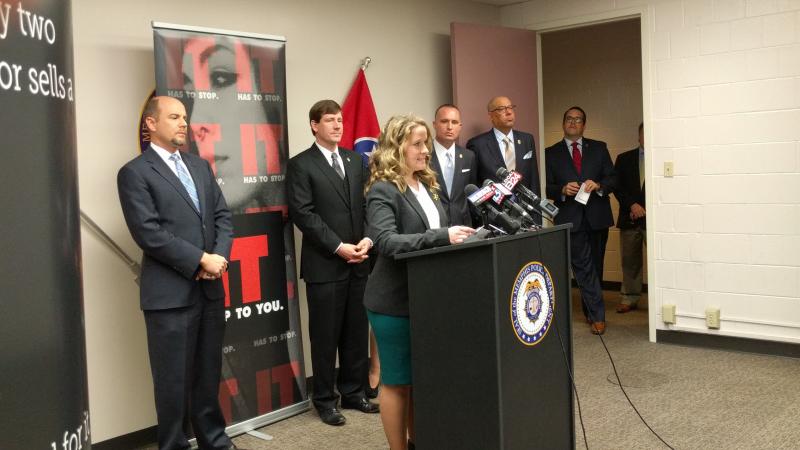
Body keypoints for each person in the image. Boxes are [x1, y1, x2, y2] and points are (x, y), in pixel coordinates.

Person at [117, 96, 242, 450]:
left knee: (207, 375)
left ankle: (214, 440)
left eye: (185, 117)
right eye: (174, 117)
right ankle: (173, 445)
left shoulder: (199, 166)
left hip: (210, 291)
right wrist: (200, 260)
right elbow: (148, 232)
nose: (183, 124)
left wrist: (217, 258)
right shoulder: (134, 173)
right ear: (151, 124)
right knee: (172, 381)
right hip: (169, 297)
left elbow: (222, 218)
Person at [364, 114, 475, 450]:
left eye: (425, 142)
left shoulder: (425, 184)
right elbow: (386, 241)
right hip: (393, 303)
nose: (426, 150)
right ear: (397, 148)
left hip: (426, 299)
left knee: (418, 381)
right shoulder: (383, 190)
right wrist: (442, 236)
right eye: (417, 143)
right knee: (398, 382)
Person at [286, 100, 378, 426]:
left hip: (360, 261)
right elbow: (304, 214)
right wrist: (339, 247)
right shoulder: (301, 165)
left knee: (355, 333)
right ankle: (325, 400)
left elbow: (369, 204)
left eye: (340, 120)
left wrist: (367, 239)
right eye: (329, 120)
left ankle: (353, 392)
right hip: (326, 264)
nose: (337, 125)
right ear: (314, 125)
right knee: (325, 337)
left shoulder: (355, 161)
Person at [545, 106, 616, 335]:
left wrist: (600, 186)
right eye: (569, 119)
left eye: (578, 120)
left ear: (584, 125)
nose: (573, 122)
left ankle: (589, 310)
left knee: (595, 266)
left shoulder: (599, 148)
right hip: (570, 218)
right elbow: (547, 186)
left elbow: (612, 178)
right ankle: (598, 316)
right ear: (563, 123)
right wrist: (563, 189)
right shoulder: (551, 152)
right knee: (583, 267)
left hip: (597, 217)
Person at [466, 96, 541, 223]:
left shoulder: (527, 140)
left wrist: (537, 216)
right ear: (491, 115)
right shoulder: (477, 144)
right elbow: (475, 186)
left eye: (511, 107)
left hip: (526, 214)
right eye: (502, 109)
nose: (509, 112)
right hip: (496, 217)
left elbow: (533, 180)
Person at [613, 123, 646, 313]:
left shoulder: (662, 158)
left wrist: (645, 209)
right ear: (638, 136)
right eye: (644, 134)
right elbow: (617, 187)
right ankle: (629, 297)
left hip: (654, 219)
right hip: (629, 216)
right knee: (630, 260)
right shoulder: (624, 159)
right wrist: (632, 205)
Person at [429, 104, 477, 226]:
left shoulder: (468, 156)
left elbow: (471, 194)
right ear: (434, 125)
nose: (450, 127)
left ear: (460, 126)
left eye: (454, 122)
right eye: (444, 121)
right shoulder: (424, 155)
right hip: (434, 227)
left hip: (463, 226)